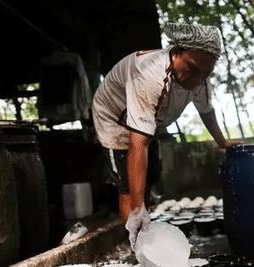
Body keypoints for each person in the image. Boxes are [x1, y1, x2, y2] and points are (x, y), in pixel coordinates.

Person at [92, 23, 239, 250]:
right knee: (129, 188)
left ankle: (144, 221)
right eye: (192, 69)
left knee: (149, 177)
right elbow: (137, 143)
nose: (197, 80)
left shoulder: (199, 75)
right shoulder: (149, 74)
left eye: (206, 73)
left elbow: (206, 111)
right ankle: (139, 246)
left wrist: (222, 142)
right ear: (177, 52)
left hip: (151, 119)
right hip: (115, 119)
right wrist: (138, 208)